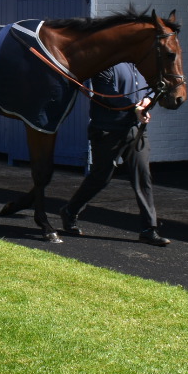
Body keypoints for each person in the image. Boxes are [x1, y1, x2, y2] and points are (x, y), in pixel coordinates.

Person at [60, 62, 170, 247]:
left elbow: (154, 86)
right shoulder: (107, 64)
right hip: (107, 130)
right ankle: (70, 211)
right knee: (100, 178)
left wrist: (148, 100)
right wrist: (135, 108)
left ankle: (148, 229)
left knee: (143, 177)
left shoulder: (142, 64)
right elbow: (107, 94)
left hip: (135, 130)